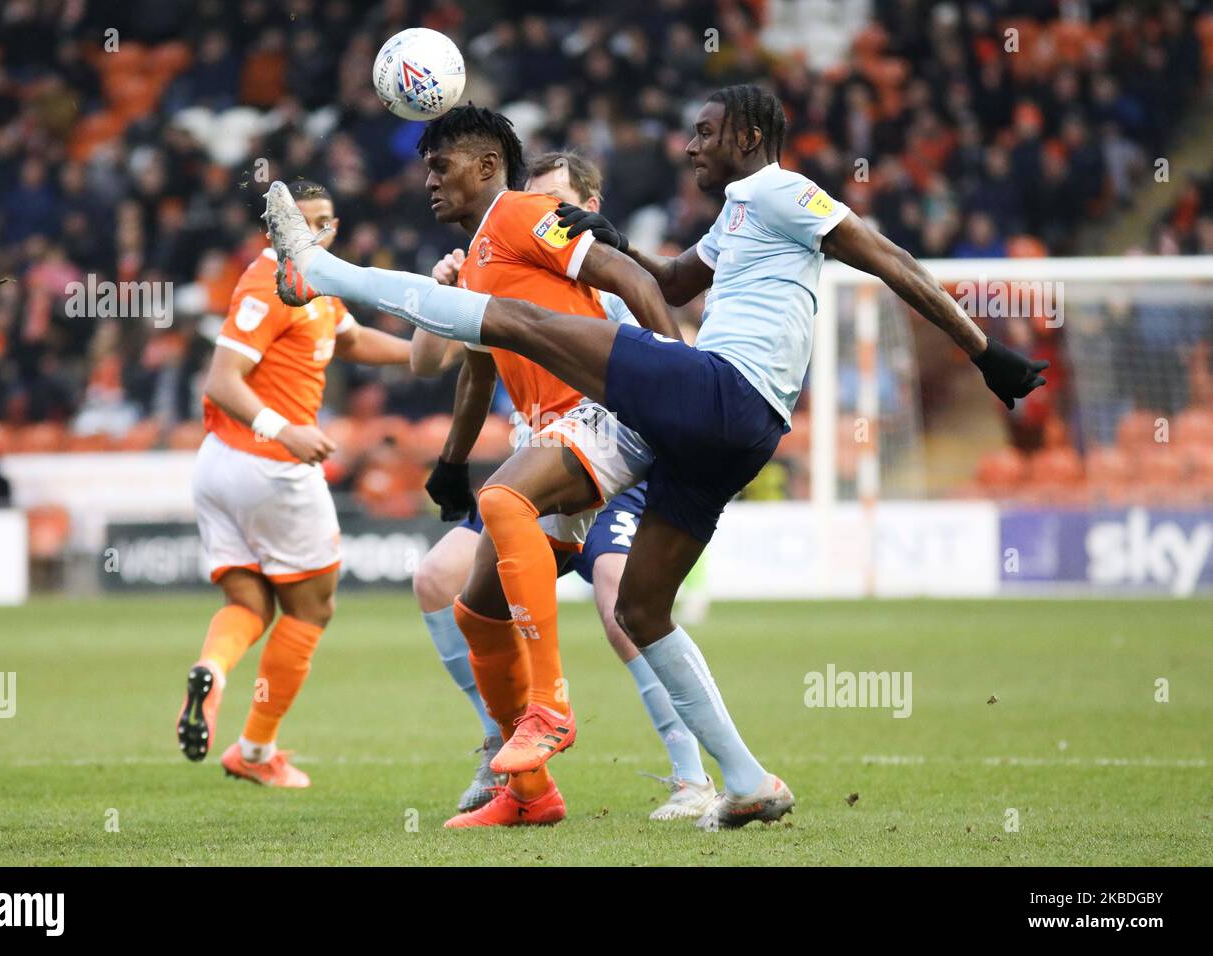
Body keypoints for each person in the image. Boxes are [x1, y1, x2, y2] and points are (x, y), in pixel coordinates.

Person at [262, 84, 1047, 827]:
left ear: (748, 136)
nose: (690, 146)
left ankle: (320, 271)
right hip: (730, 435)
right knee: (639, 609)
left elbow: (883, 255)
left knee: (511, 323)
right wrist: (613, 240)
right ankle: (744, 783)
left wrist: (983, 351)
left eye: (705, 133)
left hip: (723, 391)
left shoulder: (781, 189)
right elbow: (666, 279)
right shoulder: (739, 214)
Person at [410, 150, 714, 822]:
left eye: (555, 201)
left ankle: (693, 777)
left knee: (619, 605)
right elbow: (429, 362)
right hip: (535, 459)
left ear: (588, 205)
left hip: (606, 457)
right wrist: (442, 293)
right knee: (439, 581)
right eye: (532, 200)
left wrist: (686, 399)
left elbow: (673, 335)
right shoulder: (507, 261)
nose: (541, 212)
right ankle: (505, 747)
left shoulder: (604, 273)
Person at [175, 180, 411, 787]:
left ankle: (213, 671)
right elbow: (221, 381)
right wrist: (286, 432)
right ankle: (255, 752)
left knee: (248, 601)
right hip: (269, 466)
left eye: (328, 221)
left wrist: (420, 352)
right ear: (277, 229)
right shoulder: (268, 282)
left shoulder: (313, 278)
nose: (320, 233)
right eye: (306, 223)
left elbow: (350, 339)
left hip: (221, 464)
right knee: (314, 606)